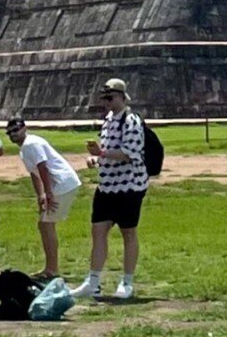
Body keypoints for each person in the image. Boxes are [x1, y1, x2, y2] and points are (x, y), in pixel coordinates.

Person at [73, 78, 149, 302]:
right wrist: (95, 159)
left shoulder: (131, 120)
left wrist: (102, 154)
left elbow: (129, 153)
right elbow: (106, 151)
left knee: (128, 233)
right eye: (104, 97)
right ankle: (93, 281)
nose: (106, 102)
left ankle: (127, 282)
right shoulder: (107, 120)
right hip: (106, 185)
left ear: (122, 97)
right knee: (98, 231)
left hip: (128, 186)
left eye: (111, 97)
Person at [6, 117, 81, 283]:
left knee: (46, 225)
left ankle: (52, 269)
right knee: (45, 224)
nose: (13, 134)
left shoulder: (31, 143)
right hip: (59, 185)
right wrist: (40, 194)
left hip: (62, 184)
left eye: (16, 130)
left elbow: (43, 167)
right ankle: (50, 268)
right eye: (10, 133)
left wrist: (48, 193)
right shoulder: (24, 149)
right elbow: (35, 174)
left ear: (24, 128)